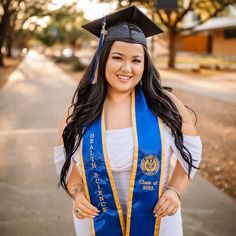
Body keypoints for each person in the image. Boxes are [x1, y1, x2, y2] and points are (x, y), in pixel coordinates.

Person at [53, 5, 202, 236]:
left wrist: (174, 190)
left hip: (158, 221)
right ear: (103, 59)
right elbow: (65, 157)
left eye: (136, 60)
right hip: (95, 220)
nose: (127, 68)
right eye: (117, 57)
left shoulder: (164, 103)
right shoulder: (79, 110)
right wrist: (78, 193)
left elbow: (191, 150)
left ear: (145, 65)